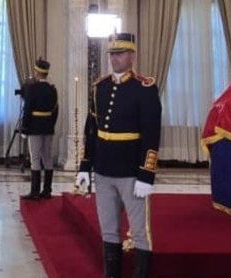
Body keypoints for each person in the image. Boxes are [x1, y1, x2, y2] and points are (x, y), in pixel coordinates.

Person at [76, 33, 161, 278]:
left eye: (120, 54)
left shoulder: (144, 88)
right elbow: (91, 129)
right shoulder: (100, 87)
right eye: (112, 54)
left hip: (131, 171)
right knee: (109, 230)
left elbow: (151, 134)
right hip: (103, 169)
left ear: (132, 56)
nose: (114, 58)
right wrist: (85, 165)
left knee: (140, 233)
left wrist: (146, 173)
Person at [19, 58, 58, 200]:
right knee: (47, 157)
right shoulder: (52, 89)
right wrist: (51, 125)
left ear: (37, 72)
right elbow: (55, 111)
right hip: (48, 127)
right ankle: (47, 190)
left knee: (35, 158)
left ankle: (35, 191)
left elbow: (27, 109)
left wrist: (24, 127)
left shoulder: (32, 88)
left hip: (34, 126)